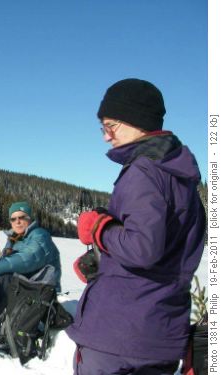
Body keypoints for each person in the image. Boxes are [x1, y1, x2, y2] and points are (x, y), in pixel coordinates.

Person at [66, 78, 206, 374]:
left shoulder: (143, 171)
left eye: (110, 125)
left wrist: (98, 229)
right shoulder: (183, 178)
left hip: (118, 336)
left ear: (135, 120)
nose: (106, 136)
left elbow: (142, 248)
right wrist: (106, 266)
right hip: (161, 334)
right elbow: (167, 255)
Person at [0, 201, 62, 292]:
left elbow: (29, 258)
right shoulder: (14, 239)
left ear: (29, 219)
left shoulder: (40, 235)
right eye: (13, 219)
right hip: (24, 289)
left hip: (43, 292)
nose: (17, 222)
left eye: (22, 217)